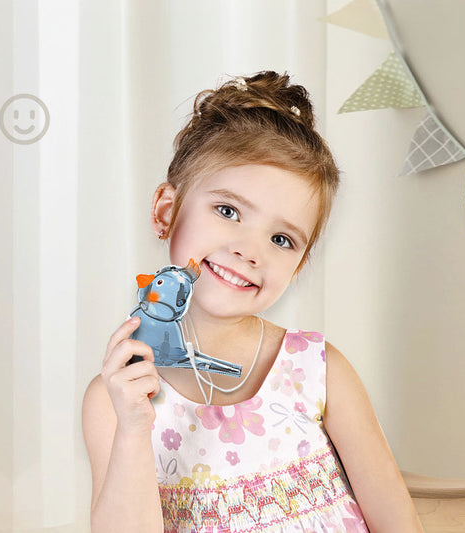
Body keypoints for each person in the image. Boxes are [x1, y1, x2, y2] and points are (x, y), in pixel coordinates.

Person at [82, 70, 424, 533]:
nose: (250, 250)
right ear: (167, 211)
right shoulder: (115, 397)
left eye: (282, 239)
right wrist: (133, 427)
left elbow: (397, 520)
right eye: (228, 211)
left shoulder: (319, 370)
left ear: (298, 266)